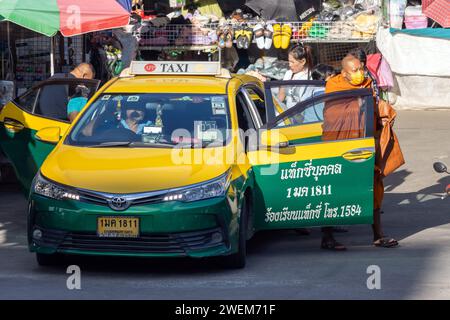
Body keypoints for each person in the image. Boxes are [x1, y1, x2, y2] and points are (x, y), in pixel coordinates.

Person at [323, 52, 399, 248]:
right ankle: (327, 237)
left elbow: (372, 110)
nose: (360, 73)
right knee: (335, 190)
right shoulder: (334, 85)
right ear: (344, 73)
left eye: (361, 69)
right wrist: (357, 106)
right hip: (340, 145)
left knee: (373, 187)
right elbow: (333, 116)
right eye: (354, 70)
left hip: (365, 143)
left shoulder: (366, 84)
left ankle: (378, 234)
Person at [278, 44, 314, 110]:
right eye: (289, 61)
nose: (289, 65)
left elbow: (305, 104)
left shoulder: (308, 78)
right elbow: (281, 95)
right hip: (287, 113)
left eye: (292, 62)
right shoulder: (288, 73)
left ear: (303, 61)